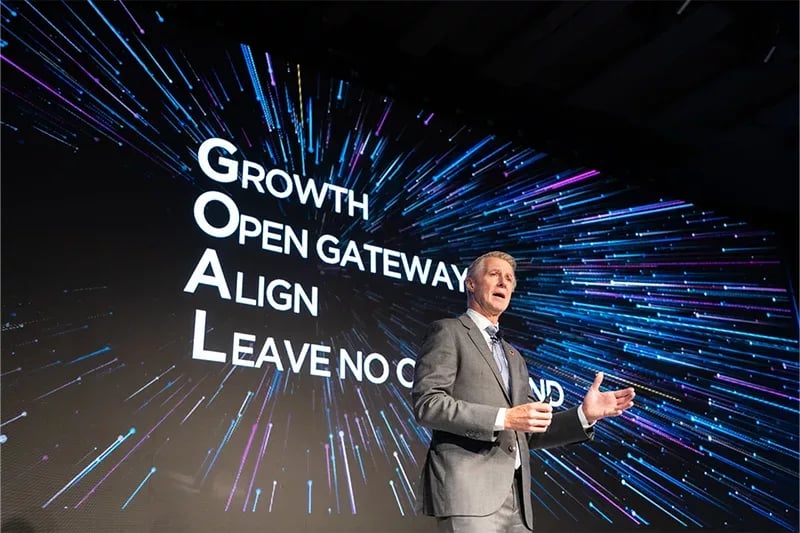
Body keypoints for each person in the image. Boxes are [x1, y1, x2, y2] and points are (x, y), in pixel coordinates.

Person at [412, 251, 635, 533]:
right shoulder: (449, 331)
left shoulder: (513, 355)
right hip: (469, 495)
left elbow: (529, 429)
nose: (503, 283)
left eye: (509, 279)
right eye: (494, 275)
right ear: (470, 283)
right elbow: (428, 404)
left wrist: (583, 415)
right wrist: (502, 418)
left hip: (518, 501)